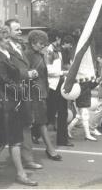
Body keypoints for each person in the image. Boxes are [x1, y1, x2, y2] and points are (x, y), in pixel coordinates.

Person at [0, 27, 37, 186]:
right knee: (14, 139)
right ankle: (20, 174)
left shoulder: (4, 54)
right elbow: (3, 79)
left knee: (7, 137)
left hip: (11, 99)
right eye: (5, 39)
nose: (8, 41)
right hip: (7, 101)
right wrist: (20, 90)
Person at [5, 18, 43, 169]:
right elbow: (7, 71)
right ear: (8, 31)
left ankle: (28, 159)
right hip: (13, 92)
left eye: (20, 29)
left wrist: (30, 74)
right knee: (10, 127)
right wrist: (27, 73)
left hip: (25, 91)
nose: (20, 32)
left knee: (26, 124)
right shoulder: (5, 48)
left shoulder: (20, 46)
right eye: (17, 29)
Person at [24, 30, 62, 161]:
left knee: (41, 122)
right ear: (33, 42)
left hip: (41, 93)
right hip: (33, 93)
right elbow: (23, 73)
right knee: (41, 122)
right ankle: (50, 149)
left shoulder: (38, 55)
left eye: (44, 43)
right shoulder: (28, 54)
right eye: (40, 43)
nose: (43, 46)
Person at [46, 31, 74, 147]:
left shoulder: (58, 51)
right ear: (57, 38)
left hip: (59, 84)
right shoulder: (50, 51)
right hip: (52, 86)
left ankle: (62, 139)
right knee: (49, 113)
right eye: (60, 39)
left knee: (62, 113)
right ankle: (36, 133)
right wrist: (63, 72)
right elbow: (48, 71)